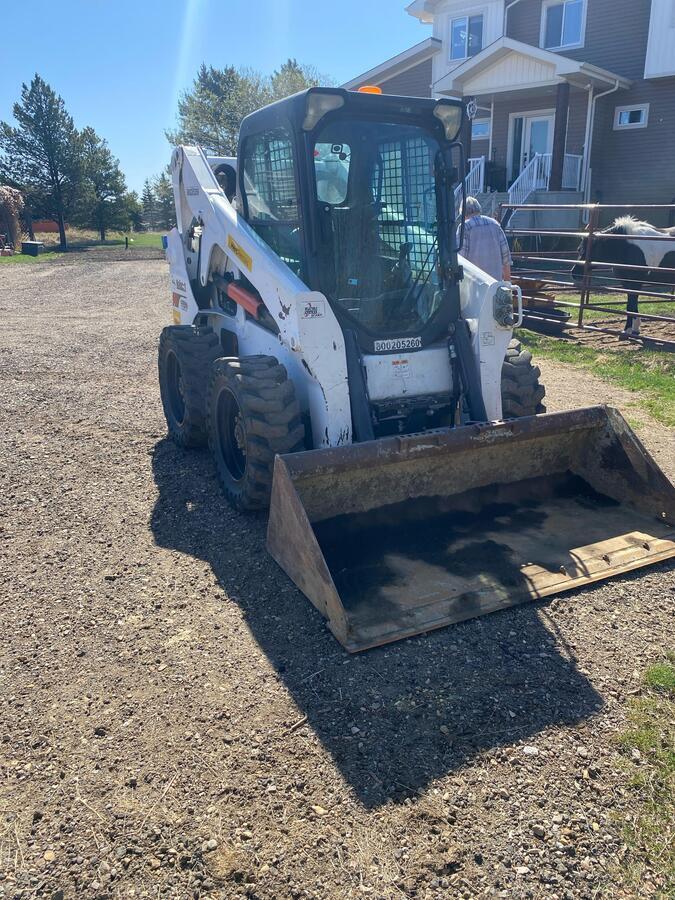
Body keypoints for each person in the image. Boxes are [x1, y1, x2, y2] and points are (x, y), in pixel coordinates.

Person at [458, 196, 512, 282]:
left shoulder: (465, 227)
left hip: (476, 284)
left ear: (463, 213)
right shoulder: (495, 224)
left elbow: (461, 258)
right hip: (496, 283)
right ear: (478, 209)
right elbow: (506, 257)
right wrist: (508, 283)